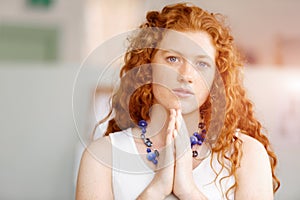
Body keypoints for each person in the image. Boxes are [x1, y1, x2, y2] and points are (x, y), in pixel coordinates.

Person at [76, 3, 280, 200]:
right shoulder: (102, 156)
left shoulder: (247, 154)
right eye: (173, 59)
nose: (186, 75)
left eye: (201, 63)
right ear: (147, 66)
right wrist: (155, 191)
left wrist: (189, 191)